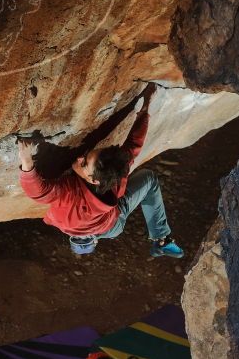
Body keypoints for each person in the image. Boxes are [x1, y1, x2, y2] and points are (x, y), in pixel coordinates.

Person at [17, 83, 184, 258]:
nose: (79, 158)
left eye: (84, 164)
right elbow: (133, 145)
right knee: (148, 178)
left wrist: (27, 161)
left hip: (102, 225)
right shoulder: (115, 174)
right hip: (108, 226)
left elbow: (39, 192)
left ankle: (87, 238)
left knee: (148, 179)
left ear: (94, 179)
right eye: (87, 156)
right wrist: (144, 110)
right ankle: (161, 239)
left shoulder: (70, 193)